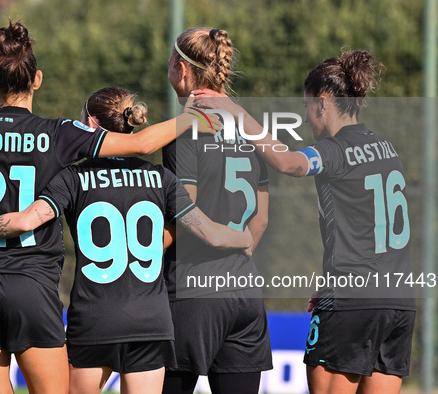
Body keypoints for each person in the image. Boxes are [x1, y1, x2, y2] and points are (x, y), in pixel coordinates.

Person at [0, 21, 218, 394]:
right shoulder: (58, 133)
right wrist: (194, 116)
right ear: (36, 79)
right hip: (30, 282)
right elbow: (141, 146)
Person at [0, 86, 253, 394]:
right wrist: (244, 238)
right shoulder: (162, 178)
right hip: (150, 323)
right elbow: (211, 234)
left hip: (95, 320)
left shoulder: (72, 178)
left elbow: (25, 221)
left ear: (93, 124)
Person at [194, 49, 415, 394]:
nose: (308, 117)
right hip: (399, 301)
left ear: (323, 102)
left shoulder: (334, 149)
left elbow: (290, 163)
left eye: (306, 107)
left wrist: (236, 112)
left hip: (352, 299)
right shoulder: (386, 147)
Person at [162, 27, 273, 394]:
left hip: (193, 291)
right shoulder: (253, 130)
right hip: (244, 290)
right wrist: (240, 248)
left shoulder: (184, 131)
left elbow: (187, 218)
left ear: (182, 68)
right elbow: (261, 219)